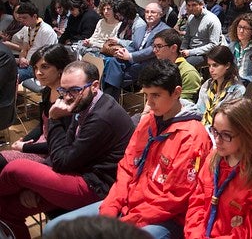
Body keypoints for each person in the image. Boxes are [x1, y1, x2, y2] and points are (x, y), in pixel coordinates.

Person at [43, 59, 212, 238]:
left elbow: (175, 198)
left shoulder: (192, 136)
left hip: (163, 217)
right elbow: (126, 167)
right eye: (146, 95)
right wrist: (111, 207)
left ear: (176, 92)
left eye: (156, 95)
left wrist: (127, 220)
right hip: (129, 202)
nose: (149, 103)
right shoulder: (148, 122)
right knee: (53, 229)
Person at [0, 61, 134, 239]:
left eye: (74, 90)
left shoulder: (102, 117)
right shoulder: (83, 104)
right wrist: (35, 186)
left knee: (16, 169)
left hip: (97, 186)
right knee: (6, 208)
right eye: (63, 91)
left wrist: (54, 120)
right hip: (77, 173)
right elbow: (63, 150)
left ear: (94, 86)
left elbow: (62, 162)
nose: (67, 97)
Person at [185, 99, 252, 238]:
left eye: (226, 135)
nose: (217, 140)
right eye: (215, 131)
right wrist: (195, 235)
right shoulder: (213, 159)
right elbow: (197, 203)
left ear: (247, 134)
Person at [0, 45, 73, 171]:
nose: (38, 73)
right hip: (42, 143)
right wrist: (25, 140)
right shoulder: (47, 91)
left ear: (60, 68)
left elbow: (64, 142)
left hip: (54, 154)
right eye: (35, 68)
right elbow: (42, 125)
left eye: (45, 67)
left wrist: (25, 147)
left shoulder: (69, 99)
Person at [102, 3, 170, 97]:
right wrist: (123, 51)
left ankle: (109, 97)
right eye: (147, 12)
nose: (149, 15)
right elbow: (134, 45)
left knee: (115, 74)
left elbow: (152, 50)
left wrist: (130, 56)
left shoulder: (165, 30)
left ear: (160, 14)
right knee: (113, 62)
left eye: (153, 12)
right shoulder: (141, 28)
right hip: (134, 59)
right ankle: (110, 96)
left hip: (149, 62)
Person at [197, 46, 246, 130]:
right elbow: (199, 110)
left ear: (227, 65)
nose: (211, 70)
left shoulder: (238, 90)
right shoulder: (207, 84)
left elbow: (231, 120)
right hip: (201, 128)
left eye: (215, 65)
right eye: (209, 65)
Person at [152, 29, 202, 102]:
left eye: (159, 46)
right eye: (154, 46)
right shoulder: (158, 67)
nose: (154, 50)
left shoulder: (188, 73)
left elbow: (186, 104)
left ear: (173, 48)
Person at [14, 1, 58, 82]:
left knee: (11, 76)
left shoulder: (46, 30)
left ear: (34, 16)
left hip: (37, 66)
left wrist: (30, 63)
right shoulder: (27, 28)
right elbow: (24, 49)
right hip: (26, 64)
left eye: (25, 18)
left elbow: (47, 56)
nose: (22, 21)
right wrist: (22, 58)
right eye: (21, 18)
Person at [181, 0, 223, 68]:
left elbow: (213, 45)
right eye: (189, 5)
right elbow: (187, 37)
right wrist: (182, 49)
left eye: (194, 5)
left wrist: (190, 52)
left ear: (202, 4)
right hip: (190, 50)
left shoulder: (212, 20)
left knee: (184, 65)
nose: (191, 8)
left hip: (205, 54)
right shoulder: (191, 18)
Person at [227, 13, 252, 85]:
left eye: (245, 28)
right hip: (232, 83)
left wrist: (244, 81)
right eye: (239, 27)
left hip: (249, 85)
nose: (241, 31)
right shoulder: (232, 46)